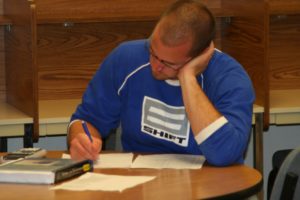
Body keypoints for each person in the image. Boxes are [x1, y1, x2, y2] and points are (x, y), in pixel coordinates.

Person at [67, 0, 255, 166]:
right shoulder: (126, 58)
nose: (155, 65)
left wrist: (188, 78)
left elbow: (224, 155)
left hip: (208, 186)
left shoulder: (230, 79)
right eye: (152, 51)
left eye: (168, 63)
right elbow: (86, 119)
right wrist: (81, 139)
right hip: (141, 184)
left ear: (200, 55)